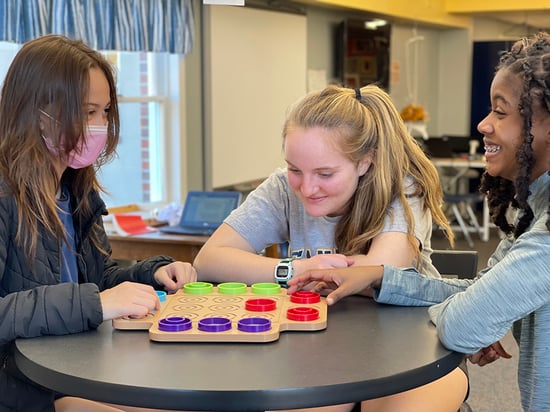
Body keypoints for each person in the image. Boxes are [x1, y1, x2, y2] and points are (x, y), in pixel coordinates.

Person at [287, 32, 550, 412]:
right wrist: (379, 279)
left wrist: (479, 316)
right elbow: (477, 291)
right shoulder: (531, 212)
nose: (483, 124)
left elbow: (463, 324)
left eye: (500, 111)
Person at [194, 84, 467, 411]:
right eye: (295, 169)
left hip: (412, 350)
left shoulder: (402, 189)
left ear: (366, 161)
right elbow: (209, 259)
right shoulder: (283, 188)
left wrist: (343, 274)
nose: (307, 188)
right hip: (318, 348)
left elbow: (376, 275)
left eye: (325, 173)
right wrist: (295, 270)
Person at [0, 35, 197, 412]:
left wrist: (150, 275)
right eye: (88, 112)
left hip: (77, 371)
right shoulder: (5, 195)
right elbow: (90, 299)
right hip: (26, 389)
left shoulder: (76, 191)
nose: (100, 126)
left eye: (105, 112)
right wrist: (94, 303)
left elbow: (98, 279)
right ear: (36, 111)